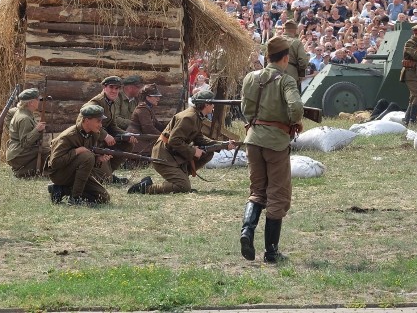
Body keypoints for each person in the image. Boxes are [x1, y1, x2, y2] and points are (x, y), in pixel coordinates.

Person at [239, 35, 303, 264]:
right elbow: (296, 108)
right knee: (278, 195)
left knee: (257, 191)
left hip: (253, 139)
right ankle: (271, 252)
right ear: (285, 58)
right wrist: (293, 121)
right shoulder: (285, 81)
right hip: (275, 143)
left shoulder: (250, 78)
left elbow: (244, 108)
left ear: (267, 57)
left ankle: (247, 231)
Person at [126, 90, 236, 196]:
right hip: (163, 157)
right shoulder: (189, 117)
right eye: (212, 103)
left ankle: (181, 177)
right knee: (184, 187)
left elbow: (200, 139)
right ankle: (146, 188)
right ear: (206, 104)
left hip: (172, 154)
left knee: (207, 153)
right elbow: (174, 140)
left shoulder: (196, 116)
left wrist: (224, 144)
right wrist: (193, 151)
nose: (213, 106)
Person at [45, 103, 111, 206]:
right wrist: (76, 151)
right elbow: (55, 163)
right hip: (60, 174)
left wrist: (98, 159)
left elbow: (88, 157)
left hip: (78, 173)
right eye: (98, 121)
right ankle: (75, 198)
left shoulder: (94, 134)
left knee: (103, 197)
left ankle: (61, 190)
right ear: (87, 120)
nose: (101, 125)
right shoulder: (68, 136)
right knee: (87, 156)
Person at [75, 75, 135, 184]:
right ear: (104, 87)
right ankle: (97, 175)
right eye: (111, 87)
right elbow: (81, 121)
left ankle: (108, 172)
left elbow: (112, 126)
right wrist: (105, 136)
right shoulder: (96, 102)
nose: (114, 91)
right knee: (106, 180)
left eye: (117, 88)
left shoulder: (111, 103)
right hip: (90, 143)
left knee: (127, 144)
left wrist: (126, 134)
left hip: (101, 142)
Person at [6, 87, 49, 178]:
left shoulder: (21, 111)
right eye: (37, 99)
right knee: (49, 152)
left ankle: (25, 170)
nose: (39, 102)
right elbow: (25, 143)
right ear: (31, 103)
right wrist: (37, 130)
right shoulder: (24, 118)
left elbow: (9, 112)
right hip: (18, 154)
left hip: (16, 152)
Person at [128, 84, 165, 157]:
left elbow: (157, 124)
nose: (158, 99)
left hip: (142, 138)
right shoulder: (143, 108)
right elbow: (148, 128)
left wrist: (168, 131)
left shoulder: (148, 108)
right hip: (137, 141)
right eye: (155, 96)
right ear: (148, 97)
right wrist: (163, 137)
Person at [282, 20, 308, 87]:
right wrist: (301, 74)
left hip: (273, 74)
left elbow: (266, 59)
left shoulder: (272, 41)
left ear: (284, 29)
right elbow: (303, 61)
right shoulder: (296, 42)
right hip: (290, 74)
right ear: (294, 30)